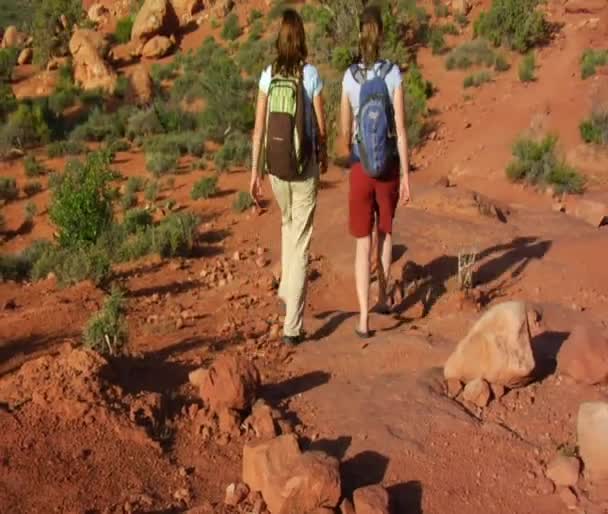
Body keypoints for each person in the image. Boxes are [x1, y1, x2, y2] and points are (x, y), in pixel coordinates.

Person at [250, 8, 327, 346]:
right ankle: (292, 327)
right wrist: (322, 156)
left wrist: (255, 172)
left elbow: (258, 129)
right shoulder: (310, 75)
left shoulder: (268, 75)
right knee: (301, 240)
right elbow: (322, 127)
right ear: (301, 39)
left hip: (276, 168)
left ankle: (285, 290)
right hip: (303, 167)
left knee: (287, 223)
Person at [339, 5, 411, 338]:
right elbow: (401, 127)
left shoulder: (349, 76)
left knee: (360, 244)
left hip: (360, 165)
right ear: (381, 34)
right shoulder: (393, 73)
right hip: (388, 168)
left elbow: (343, 130)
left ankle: (364, 319)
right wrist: (407, 176)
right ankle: (383, 298)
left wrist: (350, 151)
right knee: (385, 232)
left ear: (359, 34)